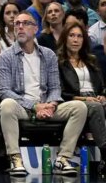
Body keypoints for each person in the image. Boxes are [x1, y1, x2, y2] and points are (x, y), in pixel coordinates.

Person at [0, 11, 86, 177]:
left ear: (35, 29)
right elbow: (4, 91)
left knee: (79, 107)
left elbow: (55, 87)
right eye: (17, 24)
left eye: (25, 23)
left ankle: (63, 158)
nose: (20, 27)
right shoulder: (5, 56)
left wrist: (51, 105)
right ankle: (15, 158)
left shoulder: (48, 54)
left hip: (46, 106)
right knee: (6, 105)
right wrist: (35, 106)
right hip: (23, 107)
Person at [57, 21, 106, 177]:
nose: (76, 40)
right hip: (75, 102)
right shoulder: (59, 62)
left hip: (95, 99)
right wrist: (84, 99)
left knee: (98, 105)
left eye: (79, 36)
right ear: (65, 38)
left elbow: (102, 86)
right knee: (96, 108)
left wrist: (102, 95)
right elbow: (60, 92)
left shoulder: (91, 60)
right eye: (71, 36)